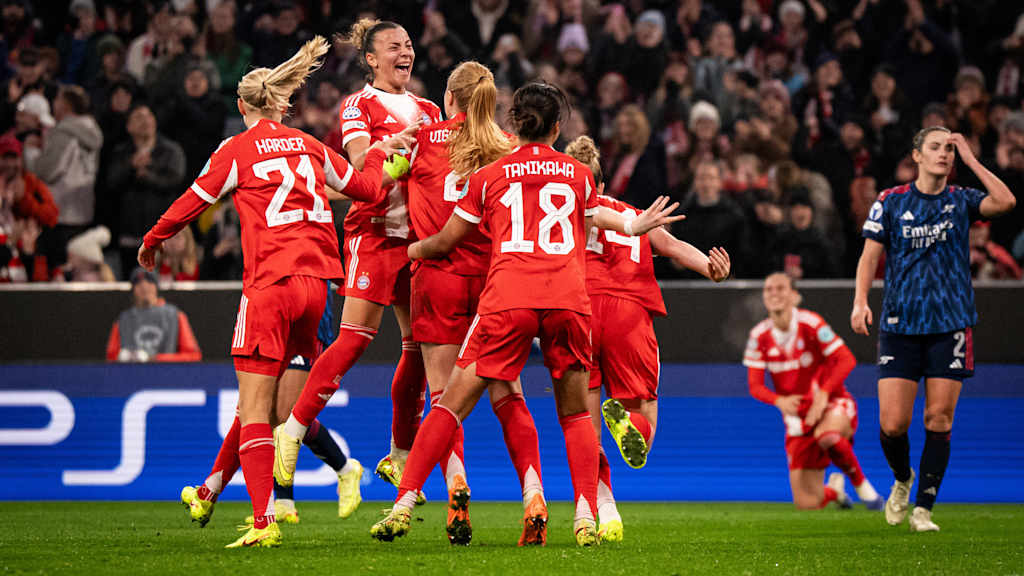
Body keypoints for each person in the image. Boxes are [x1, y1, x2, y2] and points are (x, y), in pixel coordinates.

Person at [368, 82, 679, 547]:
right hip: (568, 302)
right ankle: (585, 517)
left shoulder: (490, 175)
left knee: (450, 404)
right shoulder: (577, 174)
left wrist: (409, 250)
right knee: (575, 416)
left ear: (514, 124)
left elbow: (445, 241)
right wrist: (636, 224)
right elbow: (608, 218)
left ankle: (403, 503)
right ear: (557, 127)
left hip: (508, 300)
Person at [137, 36, 411, 549]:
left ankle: (263, 520)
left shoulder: (236, 151)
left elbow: (192, 202)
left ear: (242, 106)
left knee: (255, 407)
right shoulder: (309, 145)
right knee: (270, 406)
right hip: (319, 289)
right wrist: (378, 154)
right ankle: (220, 491)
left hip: (270, 284)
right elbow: (367, 189)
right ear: (282, 105)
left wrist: (153, 240)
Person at [274, 19, 442, 502]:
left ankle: (400, 453)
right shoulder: (358, 105)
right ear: (371, 59)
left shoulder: (429, 110)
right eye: (394, 46)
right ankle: (294, 429)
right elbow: (360, 164)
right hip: (374, 235)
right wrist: (392, 152)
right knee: (353, 340)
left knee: (417, 349)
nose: (405, 52)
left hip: (420, 244)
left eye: (409, 44)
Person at [401, 60, 542, 545]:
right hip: (495, 284)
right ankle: (533, 492)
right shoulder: (507, 149)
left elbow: (377, 184)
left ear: (449, 97)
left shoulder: (420, 140)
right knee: (508, 394)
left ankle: (456, 481)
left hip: (437, 277)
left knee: (443, 400)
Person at [564, 135, 730, 543]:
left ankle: (602, 511)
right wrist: (709, 268)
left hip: (578, 312)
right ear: (602, 186)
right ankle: (631, 425)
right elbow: (672, 247)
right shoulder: (632, 214)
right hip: (628, 314)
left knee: (584, 427)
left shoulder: (560, 212)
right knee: (645, 415)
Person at [853, 126, 1016, 531]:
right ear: (917, 156)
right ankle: (903, 478)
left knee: (938, 419)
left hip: (951, 324)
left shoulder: (961, 200)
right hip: (900, 324)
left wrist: (973, 158)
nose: (945, 154)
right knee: (893, 425)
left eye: (950, 149)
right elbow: (869, 254)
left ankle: (924, 508)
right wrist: (860, 301)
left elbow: (1006, 201)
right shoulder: (891, 202)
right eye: (936, 147)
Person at [746, 273, 883, 511]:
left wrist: (823, 395)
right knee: (807, 503)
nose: (774, 293)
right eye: (768, 289)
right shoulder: (759, 336)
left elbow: (846, 360)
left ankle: (864, 489)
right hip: (798, 418)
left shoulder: (811, 324)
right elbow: (755, 387)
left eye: (780, 288)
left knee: (828, 435)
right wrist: (779, 401)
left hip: (832, 403)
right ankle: (835, 492)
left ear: (795, 296)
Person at [105, 267, 201, 362]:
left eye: (149, 281)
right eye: (138, 283)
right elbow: (111, 356)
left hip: (166, 374)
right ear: (133, 290)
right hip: (132, 375)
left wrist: (157, 359)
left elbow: (193, 355)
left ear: (156, 286)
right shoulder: (123, 319)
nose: (144, 286)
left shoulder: (175, 315)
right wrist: (123, 358)